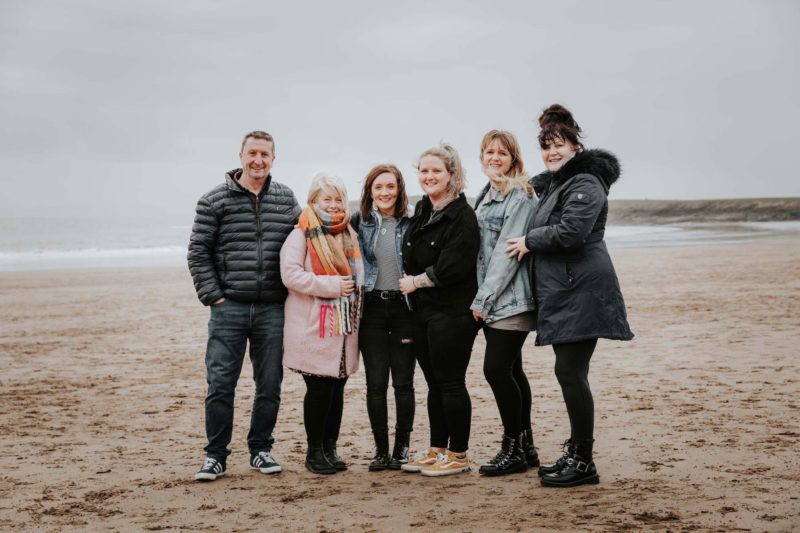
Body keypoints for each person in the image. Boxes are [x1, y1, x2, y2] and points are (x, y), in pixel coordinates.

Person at [506, 104, 634, 487]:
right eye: (546, 147)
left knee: (571, 373)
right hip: (567, 288)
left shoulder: (587, 182)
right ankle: (578, 454)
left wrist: (530, 240)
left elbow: (571, 232)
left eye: (559, 144)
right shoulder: (561, 183)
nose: (552, 153)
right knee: (569, 373)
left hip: (583, 289)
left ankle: (583, 461)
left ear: (576, 146)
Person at [188, 130, 301, 481]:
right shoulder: (214, 200)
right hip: (229, 308)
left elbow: (307, 240)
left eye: (265, 154)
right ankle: (215, 456)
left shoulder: (286, 199)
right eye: (252, 153)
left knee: (269, 384)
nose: (258, 160)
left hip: (272, 309)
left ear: (273, 159)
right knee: (221, 383)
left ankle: (261, 449)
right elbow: (198, 253)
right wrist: (215, 297)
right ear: (240, 156)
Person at [399, 144, 480, 477]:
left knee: (450, 383)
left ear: (451, 175)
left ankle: (458, 454)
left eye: (436, 171)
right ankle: (437, 449)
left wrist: (416, 282)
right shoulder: (423, 209)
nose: (429, 177)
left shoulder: (462, 215)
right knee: (433, 383)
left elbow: (453, 267)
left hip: (452, 311)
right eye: (424, 171)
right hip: (422, 311)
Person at [280, 172, 364, 475]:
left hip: (343, 328)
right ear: (313, 201)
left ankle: (330, 448)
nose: (332, 204)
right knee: (319, 390)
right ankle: (314, 452)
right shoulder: (301, 234)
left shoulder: (348, 233)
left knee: (336, 389)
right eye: (325, 198)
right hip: (313, 327)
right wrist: (331, 286)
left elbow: (358, 276)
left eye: (337, 198)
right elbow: (290, 275)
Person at [470, 130, 539, 476]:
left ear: (514, 158)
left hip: (509, 299)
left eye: (502, 153)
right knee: (512, 370)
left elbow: (505, 255)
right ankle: (526, 447)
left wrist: (483, 299)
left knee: (495, 370)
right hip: (499, 298)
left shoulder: (520, 196)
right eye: (489, 152)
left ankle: (511, 447)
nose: (494, 158)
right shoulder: (486, 194)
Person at [352, 164, 416, 471]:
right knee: (375, 384)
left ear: (400, 188)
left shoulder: (413, 221)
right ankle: (381, 450)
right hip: (372, 310)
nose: (384, 192)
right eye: (378, 187)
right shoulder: (359, 221)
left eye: (390, 186)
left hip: (405, 309)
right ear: (369, 191)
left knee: (403, 383)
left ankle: (402, 448)